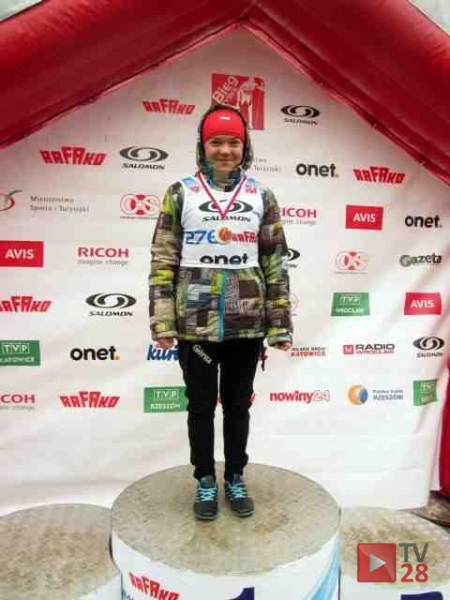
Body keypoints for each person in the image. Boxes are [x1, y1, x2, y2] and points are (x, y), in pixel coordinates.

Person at [149, 103, 293, 520]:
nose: (225, 150)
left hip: (246, 323)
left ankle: (234, 476)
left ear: (244, 147)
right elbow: (163, 260)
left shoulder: (261, 195)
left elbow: (275, 262)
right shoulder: (181, 193)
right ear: (203, 145)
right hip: (194, 323)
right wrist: (163, 320)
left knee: (237, 406)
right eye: (216, 141)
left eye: (233, 142)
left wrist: (279, 324)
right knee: (199, 407)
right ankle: (205, 480)